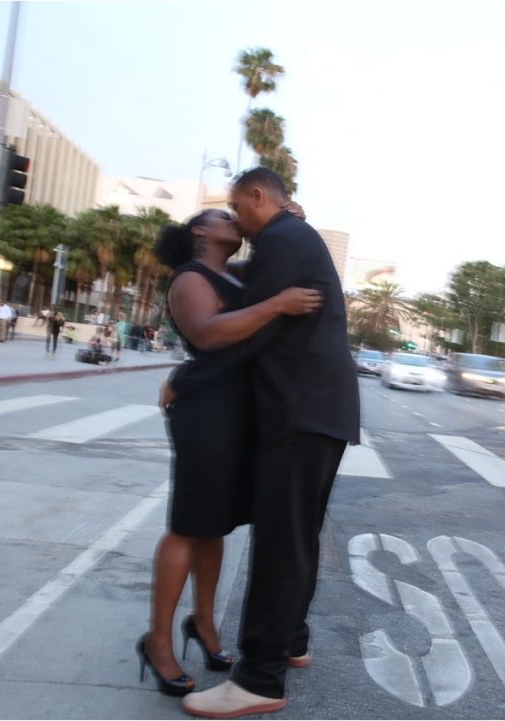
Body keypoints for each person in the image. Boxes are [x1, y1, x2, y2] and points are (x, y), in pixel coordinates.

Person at [170, 168, 359, 718]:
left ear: (258, 198)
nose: (238, 220)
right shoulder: (293, 238)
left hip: (298, 413)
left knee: (281, 547)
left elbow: (247, 334)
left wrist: (184, 379)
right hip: (317, 412)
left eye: (238, 207)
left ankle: (259, 678)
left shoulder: (279, 239)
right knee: (296, 541)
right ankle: (291, 640)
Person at [136, 208, 322, 699]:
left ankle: (205, 624)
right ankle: (157, 641)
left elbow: (268, 267)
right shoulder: (190, 279)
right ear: (200, 231)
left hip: (237, 414)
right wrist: (278, 304)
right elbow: (209, 335)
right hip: (205, 414)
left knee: (214, 525)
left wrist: (286, 219)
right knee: (188, 524)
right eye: (225, 217)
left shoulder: (230, 274)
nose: (235, 221)